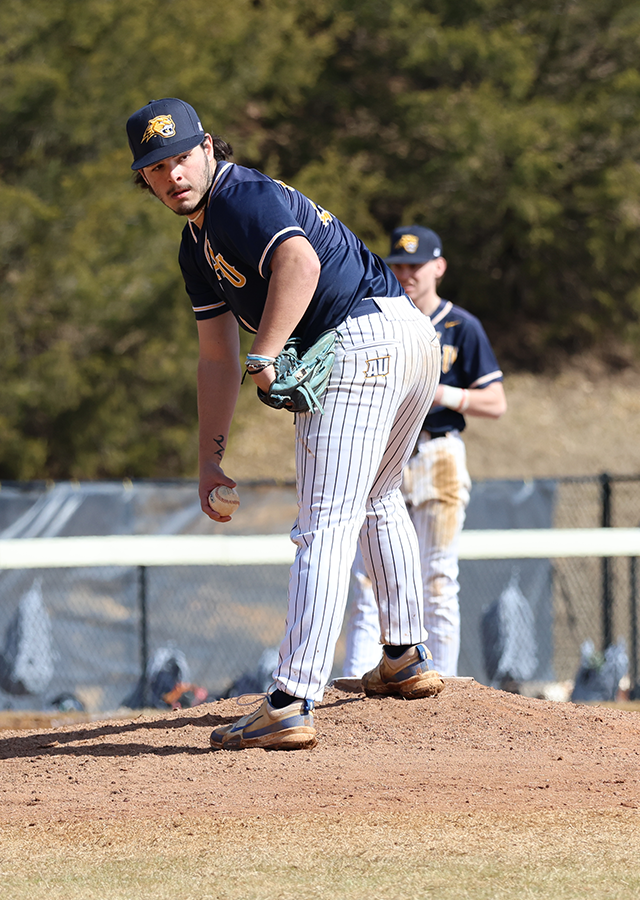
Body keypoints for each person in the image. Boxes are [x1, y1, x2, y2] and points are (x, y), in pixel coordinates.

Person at [126, 98, 446, 751]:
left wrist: (266, 354)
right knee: (377, 496)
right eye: (156, 167)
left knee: (324, 521)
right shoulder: (197, 245)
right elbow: (215, 357)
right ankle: (404, 654)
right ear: (144, 179)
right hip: (406, 339)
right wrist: (209, 457)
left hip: (360, 339)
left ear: (208, 148)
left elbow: (300, 264)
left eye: (182, 156)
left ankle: (291, 698)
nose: (173, 175)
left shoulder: (238, 196)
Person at [340, 226, 506, 680]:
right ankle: (359, 680)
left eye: (416, 265)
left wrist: (442, 393)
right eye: (398, 265)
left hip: (437, 452)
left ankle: (442, 682)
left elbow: (496, 402)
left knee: (437, 578)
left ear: (439, 266)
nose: (407, 273)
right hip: (381, 451)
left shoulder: (459, 326)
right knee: (368, 578)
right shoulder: (377, 319)